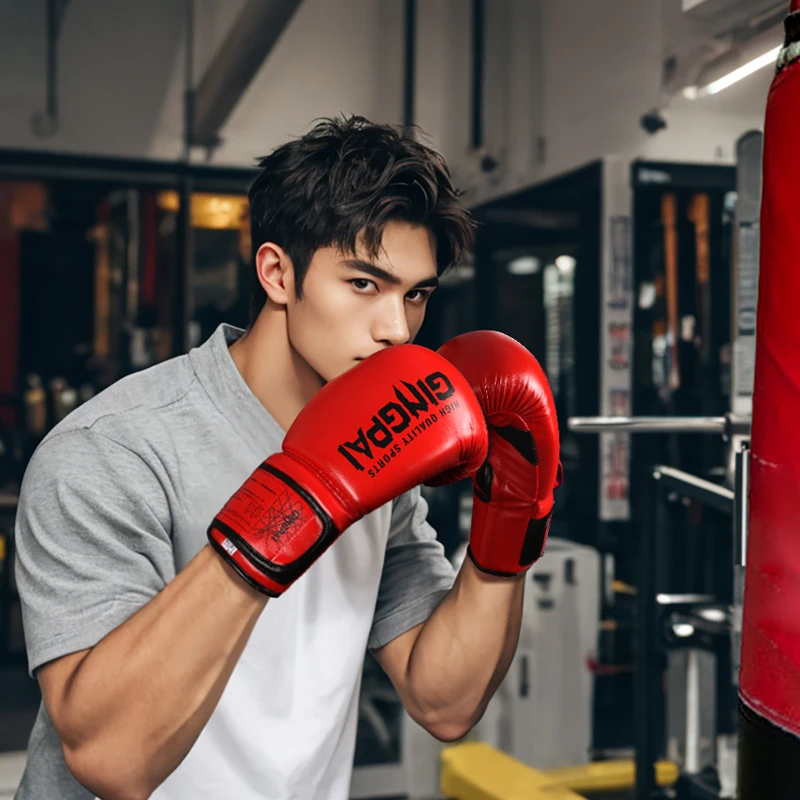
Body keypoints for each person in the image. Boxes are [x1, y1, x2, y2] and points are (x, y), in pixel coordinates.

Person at [14, 115, 560, 800]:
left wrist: (512, 517)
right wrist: (300, 496)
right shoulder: (114, 450)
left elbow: (444, 701)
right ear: (276, 272)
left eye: (415, 293)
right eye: (364, 283)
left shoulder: (387, 438)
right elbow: (112, 759)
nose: (397, 329)